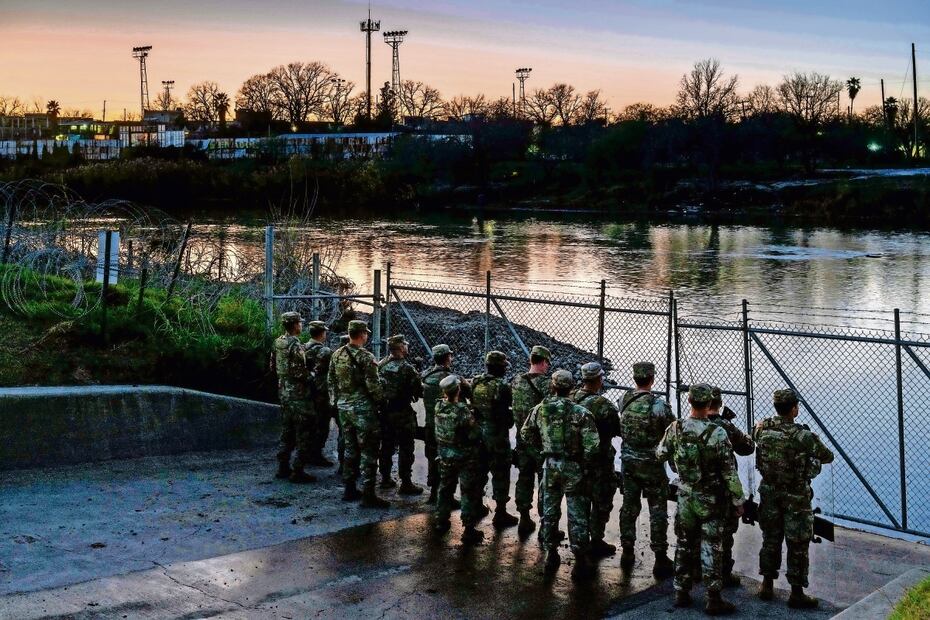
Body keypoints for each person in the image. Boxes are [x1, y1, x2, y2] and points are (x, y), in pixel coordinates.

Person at [657, 383, 744, 615]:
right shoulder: (718, 433)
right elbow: (729, 472)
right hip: (712, 499)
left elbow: (660, 453)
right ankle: (713, 598)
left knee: (684, 543)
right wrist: (738, 499)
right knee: (712, 545)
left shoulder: (676, 428)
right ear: (710, 404)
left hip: (685, 495)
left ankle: (681, 591)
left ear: (689, 402)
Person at [754, 389, 834, 609]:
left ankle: (767, 584)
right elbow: (827, 456)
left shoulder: (762, 430)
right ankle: (796, 593)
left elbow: (754, 435)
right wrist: (811, 462)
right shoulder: (803, 436)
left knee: (770, 538)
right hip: (796, 497)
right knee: (797, 543)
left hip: (769, 493)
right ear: (794, 409)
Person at [521, 369, 600, 580]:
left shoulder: (540, 409)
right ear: (571, 388)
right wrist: (583, 463)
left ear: (553, 387)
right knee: (577, 515)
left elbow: (525, 433)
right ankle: (579, 561)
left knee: (549, 511)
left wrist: (542, 450)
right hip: (573, 466)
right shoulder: (580, 413)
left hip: (550, 465)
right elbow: (593, 446)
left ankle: (551, 554)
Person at [618, 361, 675, 577]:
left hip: (629, 462)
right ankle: (660, 557)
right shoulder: (659, 406)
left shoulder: (624, 399)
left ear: (635, 378)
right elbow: (671, 433)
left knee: (629, 507)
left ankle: (628, 550)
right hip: (652, 464)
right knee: (657, 510)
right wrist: (672, 462)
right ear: (652, 379)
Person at [328, 320, 388, 508]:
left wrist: (336, 401)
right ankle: (369, 494)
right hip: (362, 410)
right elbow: (373, 386)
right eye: (366, 333)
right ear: (361, 334)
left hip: (344, 408)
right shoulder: (365, 357)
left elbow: (331, 381)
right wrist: (381, 402)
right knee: (369, 451)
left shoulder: (337, 354)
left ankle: (349, 488)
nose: (367, 335)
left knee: (350, 449)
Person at [572, 361, 621, 557]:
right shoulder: (604, 406)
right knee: (601, 502)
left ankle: (580, 542)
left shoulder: (570, 397)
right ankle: (596, 540)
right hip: (600, 463)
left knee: (580, 502)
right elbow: (616, 430)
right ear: (600, 380)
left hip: (576, 461)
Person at [708, 386, 755, 587]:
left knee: (694, 530)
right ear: (719, 404)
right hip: (722, 490)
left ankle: (694, 569)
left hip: (695, 488)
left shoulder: (686, 424)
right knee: (724, 532)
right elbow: (747, 448)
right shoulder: (725, 427)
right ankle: (722, 573)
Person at [433, 374, 485, 545]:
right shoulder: (462, 410)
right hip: (464, 456)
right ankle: (468, 528)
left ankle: (441, 520)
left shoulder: (439, 406)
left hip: (445, 454)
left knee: (445, 487)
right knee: (467, 490)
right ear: (459, 390)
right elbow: (475, 433)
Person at [471, 351, 519, 528]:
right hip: (496, 436)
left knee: (479, 470)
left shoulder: (476, 381)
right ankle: (500, 513)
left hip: (478, 433)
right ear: (500, 367)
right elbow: (505, 417)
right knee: (500, 473)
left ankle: (476, 505)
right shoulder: (502, 387)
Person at [421, 344, 471, 503]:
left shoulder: (425, 376)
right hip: (451, 429)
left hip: (431, 423)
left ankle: (433, 493)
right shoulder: (454, 379)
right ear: (447, 357)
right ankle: (447, 496)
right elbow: (470, 394)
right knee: (450, 463)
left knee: (432, 458)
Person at [510, 345, 552, 535]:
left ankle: (524, 517)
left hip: (521, 437)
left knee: (524, 477)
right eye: (547, 363)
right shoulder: (545, 384)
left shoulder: (517, 380)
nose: (548, 367)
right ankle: (545, 523)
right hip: (541, 442)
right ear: (543, 362)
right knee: (545, 482)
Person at [272, 311, 316, 484]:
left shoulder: (278, 342)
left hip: (283, 391)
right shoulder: (295, 344)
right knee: (305, 429)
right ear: (295, 325)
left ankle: (283, 466)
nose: (301, 325)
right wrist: (312, 376)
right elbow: (299, 371)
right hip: (298, 394)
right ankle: (298, 470)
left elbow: (272, 364)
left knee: (287, 429)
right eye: (300, 322)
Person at [378, 334, 424, 495]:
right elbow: (418, 391)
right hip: (402, 412)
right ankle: (406, 482)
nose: (407, 347)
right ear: (401, 348)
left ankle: (384, 478)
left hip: (384, 412)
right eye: (405, 345)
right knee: (406, 447)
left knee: (387, 446)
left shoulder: (381, 364)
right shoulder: (407, 368)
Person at [304, 320, 339, 468]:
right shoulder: (325, 351)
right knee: (322, 424)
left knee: (310, 424)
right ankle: (316, 454)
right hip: (321, 391)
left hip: (306, 390)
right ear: (322, 333)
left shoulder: (303, 347)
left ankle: (307, 452)